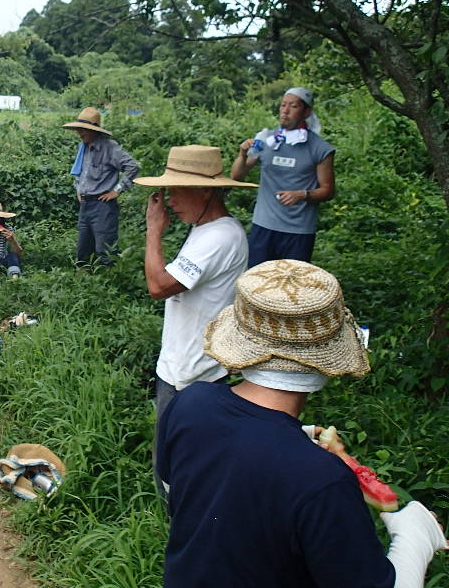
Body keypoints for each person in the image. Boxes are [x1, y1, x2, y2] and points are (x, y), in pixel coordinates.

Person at [157, 259, 448, 587]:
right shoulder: (324, 481)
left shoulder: (190, 403)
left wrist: (296, 440)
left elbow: (183, 492)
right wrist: (416, 533)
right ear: (326, 358)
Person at [134, 145, 257, 497]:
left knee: (179, 472)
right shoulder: (205, 230)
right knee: (170, 463)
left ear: (206, 190)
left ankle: (181, 537)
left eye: (177, 189)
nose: (169, 199)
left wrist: (154, 230)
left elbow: (158, 286)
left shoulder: (220, 236)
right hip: (180, 367)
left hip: (195, 375)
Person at [230, 86, 336, 266]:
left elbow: (328, 190)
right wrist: (242, 154)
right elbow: (236, 175)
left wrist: (303, 194)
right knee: (257, 282)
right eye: (283, 105)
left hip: (299, 232)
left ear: (307, 111)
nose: (285, 111)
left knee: (290, 287)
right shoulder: (265, 139)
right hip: (263, 226)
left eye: (293, 106)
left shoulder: (320, 148)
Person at [63, 107, 140, 265]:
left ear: (94, 130)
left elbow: (133, 166)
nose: (80, 133)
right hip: (85, 204)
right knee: (83, 249)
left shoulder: (109, 148)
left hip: (102, 205)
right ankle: (84, 282)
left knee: (105, 249)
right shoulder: (83, 148)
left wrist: (117, 190)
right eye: (79, 129)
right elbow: (79, 173)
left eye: (83, 129)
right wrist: (79, 189)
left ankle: (111, 281)